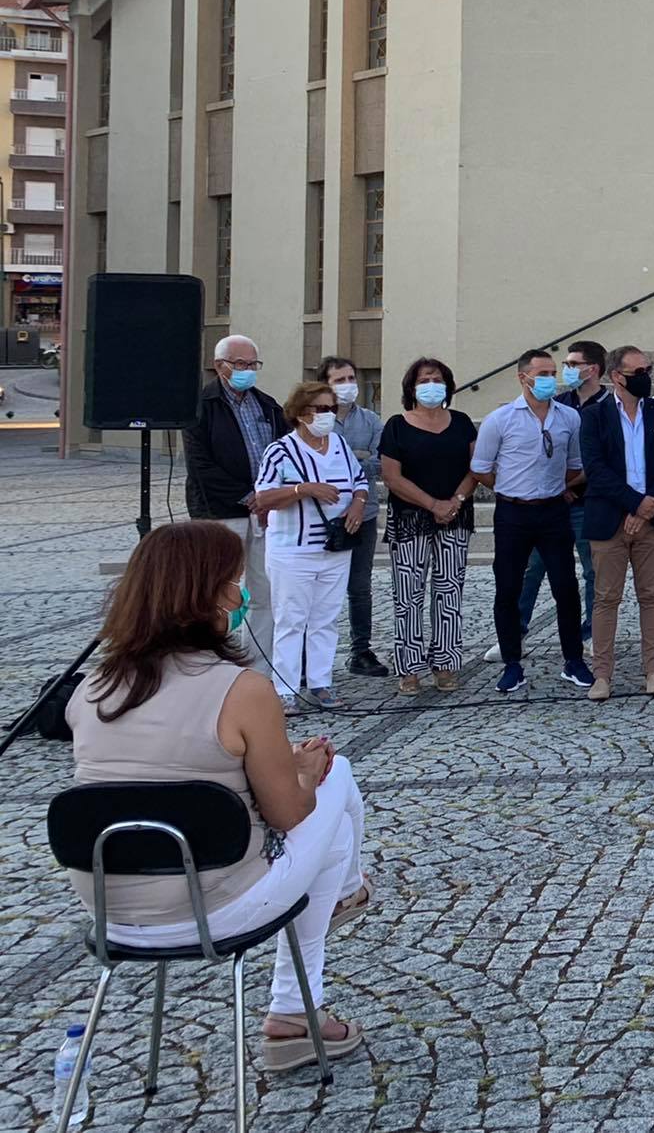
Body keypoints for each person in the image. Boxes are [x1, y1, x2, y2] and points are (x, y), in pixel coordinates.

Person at [65, 522, 371, 1071]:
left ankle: (320, 953)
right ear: (206, 596)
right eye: (234, 582)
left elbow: (145, 781)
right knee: (339, 774)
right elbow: (288, 812)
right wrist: (305, 769)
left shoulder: (90, 689)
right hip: (213, 906)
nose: (242, 593)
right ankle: (337, 915)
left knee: (317, 801)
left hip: (110, 910)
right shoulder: (242, 690)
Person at [472, 350, 595, 695]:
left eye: (552, 372)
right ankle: (512, 663)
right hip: (513, 513)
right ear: (522, 377)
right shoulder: (501, 419)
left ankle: (573, 659)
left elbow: (575, 462)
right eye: (541, 373)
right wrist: (513, 490)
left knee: (565, 587)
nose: (548, 379)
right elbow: (481, 469)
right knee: (508, 587)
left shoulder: (569, 417)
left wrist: (558, 488)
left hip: (554, 510)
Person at [250, 380, 369, 711]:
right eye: (322, 409)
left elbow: (359, 480)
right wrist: (304, 489)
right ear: (302, 414)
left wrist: (358, 502)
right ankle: (285, 689)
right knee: (291, 620)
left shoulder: (339, 445)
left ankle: (321, 682)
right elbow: (264, 497)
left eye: (333, 408)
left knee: (325, 619)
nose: (330, 415)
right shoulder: (281, 451)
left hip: (335, 547)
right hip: (293, 550)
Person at [579, 346, 654, 701]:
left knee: (652, 596)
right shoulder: (593, 416)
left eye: (648, 369)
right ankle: (602, 676)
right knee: (606, 598)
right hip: (611, 518)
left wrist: (647, 505)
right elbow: (595, 469)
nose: (645, 377)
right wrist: (633, 503)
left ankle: (653, 670)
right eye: (637, 371)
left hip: (653, 517)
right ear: (616, 377)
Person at [377, 358, 477, 694]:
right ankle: (409, 668)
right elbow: (391, 476)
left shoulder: (461, 423)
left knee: (449, 592)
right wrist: (432, 504)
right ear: (412, 387)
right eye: (424, 379)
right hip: (410, 519)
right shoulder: (396, 425)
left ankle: (446, 663)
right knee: (408, 596)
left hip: (455, 516)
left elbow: (476, 468)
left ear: (447, 385)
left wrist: (454, 502)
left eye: (437, 378)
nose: (431, 384)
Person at [183, 334, 284, 659]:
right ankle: (212, 661)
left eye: (253, 364)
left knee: (265, 593)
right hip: (221, 513)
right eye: (240, 364)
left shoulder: (268, 406)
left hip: (266, 514)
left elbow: (284, 454)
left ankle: (258, 668)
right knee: (217, 591)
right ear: (219, 366)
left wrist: (269, 495)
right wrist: (248, 496)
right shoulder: (201, 407)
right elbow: (201, 466)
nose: (247, 370)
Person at [516, 339, 605, 650]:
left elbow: (602, 457)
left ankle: (593, 632)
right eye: (564, 365)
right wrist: (559, 487)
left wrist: (570, 485)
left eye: (571, 365)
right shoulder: (560, 403)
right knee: (533, 567)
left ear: (592, 369)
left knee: (593, 570)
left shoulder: (610, 404)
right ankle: (516, 631)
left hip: (591, 501)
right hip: (553, 503)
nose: (565, 371)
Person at [318, 356, 388, 679]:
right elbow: (315, 465)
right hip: (320, 515)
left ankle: (361, 651)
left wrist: (347, 459)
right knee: (318, 588)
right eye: (339, 380)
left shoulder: (372, 420)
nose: (348, 385)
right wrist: (357, 457)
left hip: (365, 513)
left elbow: (380, 464)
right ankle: (312, 656)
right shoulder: (316, 420)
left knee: (359, 587)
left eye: (351, 378)